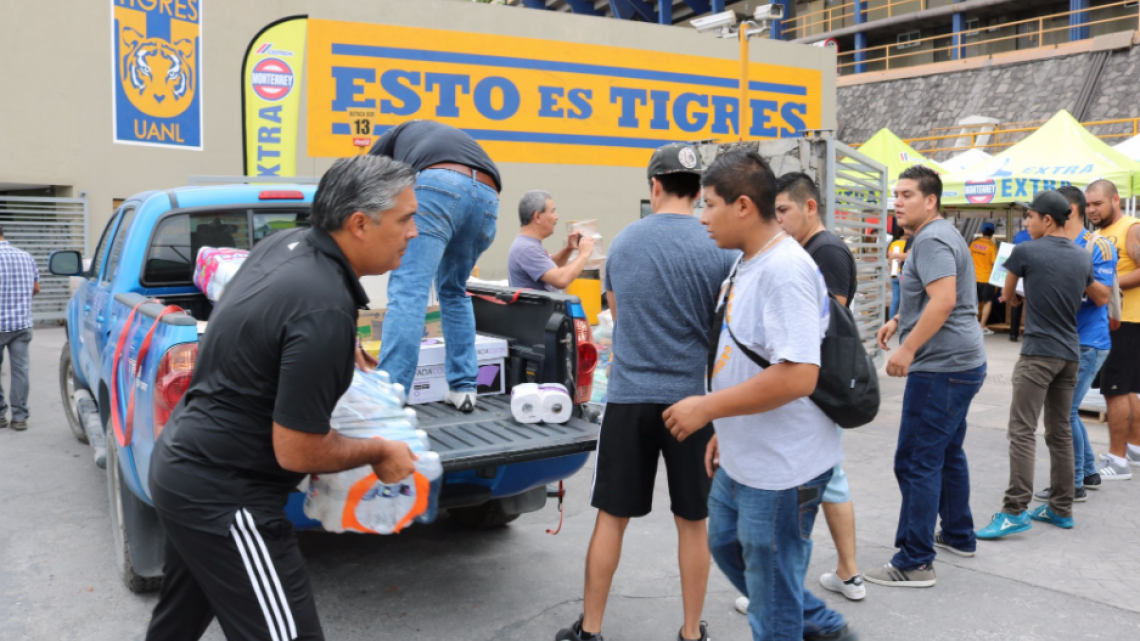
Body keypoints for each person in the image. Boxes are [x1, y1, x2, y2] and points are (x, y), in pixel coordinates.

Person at [145, 156, 421, 641]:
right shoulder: (323, 307)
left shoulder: (287, 245)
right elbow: (297, 450)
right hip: (225, 495)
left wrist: (333, 346)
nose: (414, 232)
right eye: (405, 219)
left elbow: (269, 315)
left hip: (184, 466)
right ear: (359, 224)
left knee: (176, 627)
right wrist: (380, 452)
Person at [663, 149, 857, 641]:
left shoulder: (783, 270)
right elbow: (745, 356)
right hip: (744, 455)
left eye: (709, 205)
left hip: (782, 470)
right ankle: (821, 625)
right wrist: (724, 430)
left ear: (743, 205)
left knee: (770, 602)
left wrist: (707, 408)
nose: (701, 216)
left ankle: (796, 624)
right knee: (727, 543)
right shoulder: (746, 264)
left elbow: (797, 377)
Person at [556, 143, 735, 641]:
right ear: (699, 192)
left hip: (631, 397)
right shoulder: (717, 245)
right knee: (692, 522)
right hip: (694, 404)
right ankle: (691, 632)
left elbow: (618, 313)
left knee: (612, 517)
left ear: (654, 185)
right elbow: (724, 324)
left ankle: (590, 629)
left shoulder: (626, 242)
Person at [870, 165, 987, 588]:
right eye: (896, 195)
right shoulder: (939, 234)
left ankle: (915, 560)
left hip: (943, 368)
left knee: (917, 459)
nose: (897, 202)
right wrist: (901, 318)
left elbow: (944, 301)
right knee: (947, 452)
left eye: (906, 195)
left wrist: (907, 347)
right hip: (962, 363)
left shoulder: (932, 238)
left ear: (930, 200)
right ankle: (958, 534)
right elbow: (937, 297)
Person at [767, 172, 864, 604]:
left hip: (817, 387)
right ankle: (848, 573)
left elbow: (827, 326)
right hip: (817, 386)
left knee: (805, 483)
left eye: (784, 210)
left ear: (810, 207)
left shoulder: (826, 252)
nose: (778, 220)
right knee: (829, 479)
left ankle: (783, 590)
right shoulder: (809, 249)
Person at [975, 190, 1091, 540]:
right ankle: (1061, 507)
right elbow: (1075, 292)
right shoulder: (1082, 256)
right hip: (1070, 353)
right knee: (1060, 431)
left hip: (1038, 353)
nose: (1027, 223)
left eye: (1031, 217)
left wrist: (1021, 292)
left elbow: (1008, 297)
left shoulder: (1025, 251)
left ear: (1048, 220)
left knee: (1022, 431)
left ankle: (1014, 510)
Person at [370, 120, 501, 413]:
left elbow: (365, 179)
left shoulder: (393, 137)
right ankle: (464, 388)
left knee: (409, 290)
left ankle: (390, 396)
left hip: (441, 184)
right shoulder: (433, 134)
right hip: (488, 196)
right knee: (453, 290)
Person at [1032, 185, 1116, 501]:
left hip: (1089, 342)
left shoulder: (1099, 246)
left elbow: (1102, 296)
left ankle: (1074, 482)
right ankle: (1089, 471)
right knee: (1068, 411)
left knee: (1064, 412)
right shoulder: (1048, 244)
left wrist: (1070, 272)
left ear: (1068, 208)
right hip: (1062, 340)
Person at [1085, 179, 1140, 480]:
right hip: (1113, 321)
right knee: (1129, 388)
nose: (1092, 209)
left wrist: (1112, 287)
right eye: (1088, 204)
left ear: (1115, 200)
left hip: (1127, 320)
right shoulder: (1100, 234)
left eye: (1098, 203)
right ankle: (1134, 448)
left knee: (1115, 391)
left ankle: (1117, 460)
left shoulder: (1131, 227)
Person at [508, 190, 595, 291]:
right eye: (552, 211)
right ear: (537, 216)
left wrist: (568, 249)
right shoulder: (526, 249)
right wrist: (584, 254)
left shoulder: (527, 245)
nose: (557, 217)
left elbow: (549, 266)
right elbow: (561, 279)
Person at [0, 225, 40, 432]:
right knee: (20, 371)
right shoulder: (26, 257)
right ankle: (19, 417)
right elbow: (36, 288)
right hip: (21, 324)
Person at [970, 222, 999, 335]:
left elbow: (968, 258)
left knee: (974, 303)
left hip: (974, 278)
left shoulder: (973, 244)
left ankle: (972, 327)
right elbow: (995, 263)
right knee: (988, 302)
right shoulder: (992, 246)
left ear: (982, 232)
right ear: (993, 233)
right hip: (986, 279)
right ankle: (982, 327)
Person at [1009, 227, 1032, 341]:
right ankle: (1028, 333)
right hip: (1031, 274)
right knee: (1031, 306)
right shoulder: (1037, 235)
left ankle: (1013, 334)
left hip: (1017, 274)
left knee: (1016, 304)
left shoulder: (1018, 235)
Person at [888, 228, 911, 318]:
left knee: (894, 300)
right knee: (903, 300)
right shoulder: (908, 244)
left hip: (894, 274)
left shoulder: (893, 244)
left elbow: (890, 260)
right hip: (903, 274)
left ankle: (890, 321)